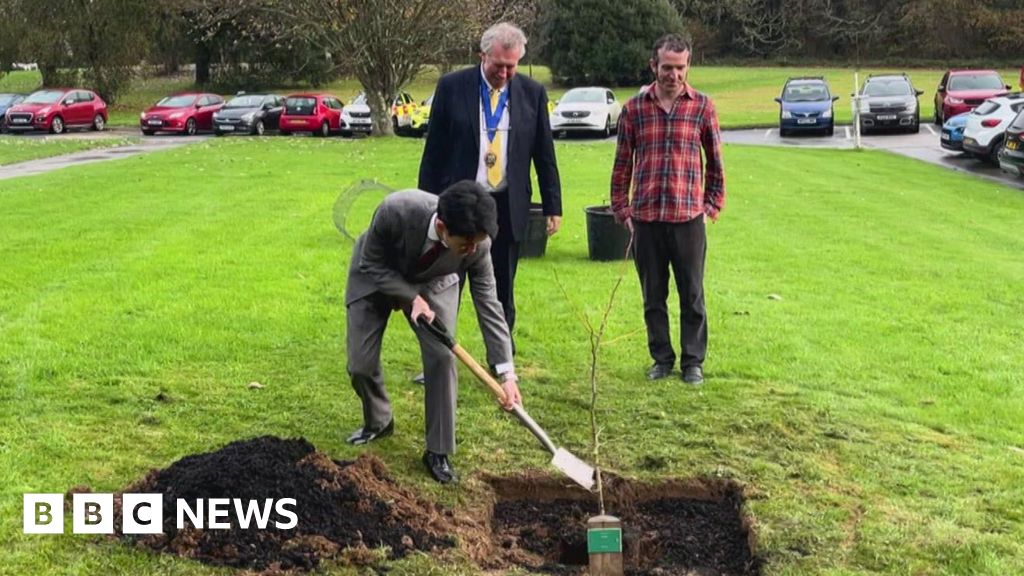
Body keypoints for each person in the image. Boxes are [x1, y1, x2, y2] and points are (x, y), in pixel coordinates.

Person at [344, 181, 523, 484]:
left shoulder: (478, 246)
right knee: (360, 365)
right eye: (466, 244)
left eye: (477, 243)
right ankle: (379, 421)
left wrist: (507, 373)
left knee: (442, 358)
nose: (472, 250)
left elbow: (489, 304)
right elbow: (371, 261)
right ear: (442, 227)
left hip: (434, 280)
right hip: (376, 274)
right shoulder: (396, 210)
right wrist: (410, 297)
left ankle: (438, 450)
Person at [418, 22, 562, 353]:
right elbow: (434, 152)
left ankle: (502, 360)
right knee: (445, 287)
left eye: (512, 66)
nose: (504, 73)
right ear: (483, 55)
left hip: (507, 208)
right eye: (498, 65)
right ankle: (438, 358)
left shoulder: (532, 92)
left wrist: (553, 205)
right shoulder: (452, 87)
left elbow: (544, 154)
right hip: (458, 205)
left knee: (501, 289)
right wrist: (427, 202)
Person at [610, 34, 726, 386]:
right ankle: (661, 358)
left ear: (687, 67)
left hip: (688, 218)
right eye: (666, 67)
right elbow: (622, 164)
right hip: (646, 219)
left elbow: (715, 162)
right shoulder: (634, 109)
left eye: (680, 67)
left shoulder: (702, 107)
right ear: (653, 66)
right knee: (653, 296)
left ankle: (693, 362)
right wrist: (622, 208)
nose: (673, 75)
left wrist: (711, 205)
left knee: (692, 295)